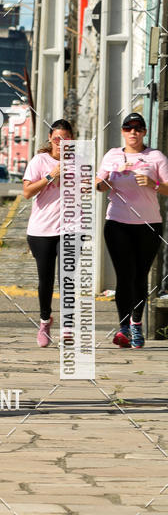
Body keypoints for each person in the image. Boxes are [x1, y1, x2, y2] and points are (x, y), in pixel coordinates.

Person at [95, 111, 168, 348]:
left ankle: (137, 324)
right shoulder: (112, 155)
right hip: (117, 222)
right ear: (123, 132)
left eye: (137, 128)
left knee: (139, 276)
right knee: (124, 276)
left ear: (144, 132)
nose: (133, 133)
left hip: (148, 224)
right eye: (128, 129)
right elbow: (99, 184)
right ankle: (124, 327)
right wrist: (104, 182)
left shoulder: (155, 157)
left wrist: (153, 183)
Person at [22, 118, 74, 347]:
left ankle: (68, 326)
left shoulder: (79, 161)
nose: (60, 144)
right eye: (56, 139)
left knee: (67, 278)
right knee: (46, 279)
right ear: (50, 140)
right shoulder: (39, 160)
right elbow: (26, 192)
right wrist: (51, 175)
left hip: (70, 228)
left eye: (65, 139)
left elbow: (88, 186)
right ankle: (45, 321)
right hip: (41, 230)